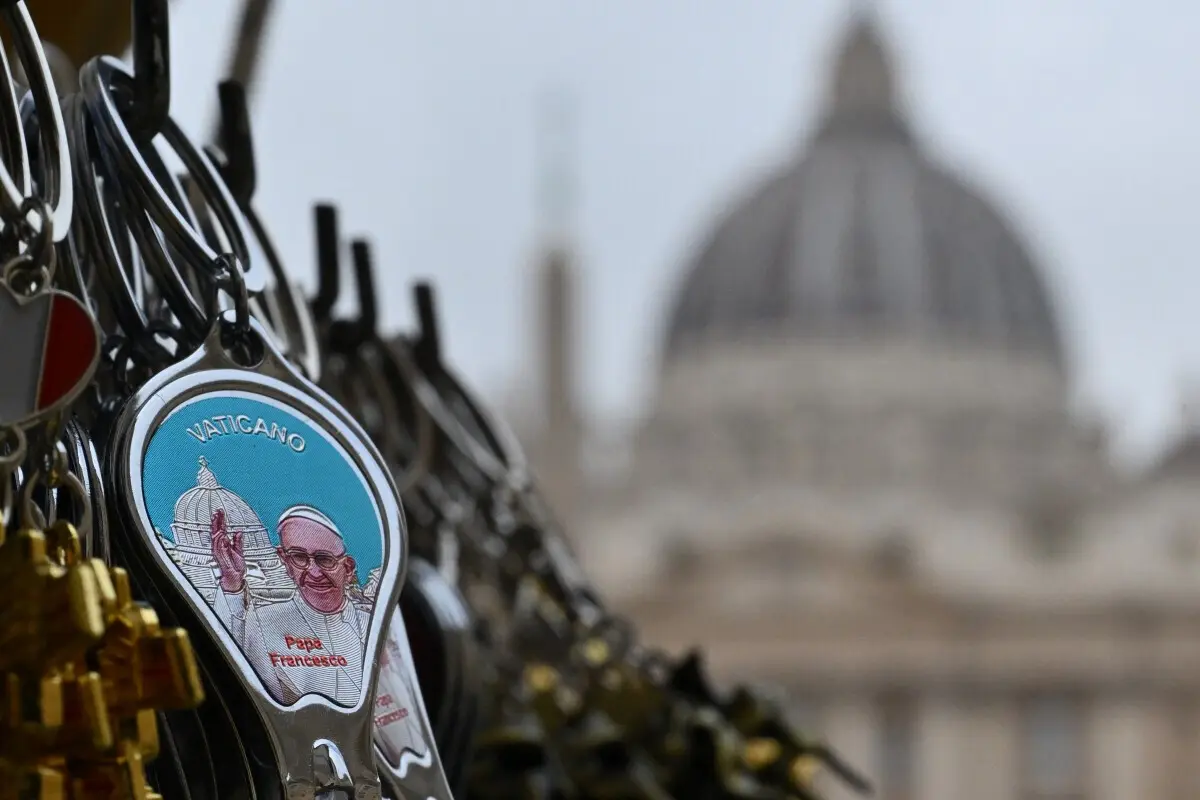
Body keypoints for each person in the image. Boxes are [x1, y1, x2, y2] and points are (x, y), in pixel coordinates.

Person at [209, 504, 373, 705]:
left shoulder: (371, 625)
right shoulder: (263, 622)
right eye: (299, 557)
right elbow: (224, 668)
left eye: (324, 559)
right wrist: (232, 583)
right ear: (285, 562)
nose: (314, 572)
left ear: (348, 568)